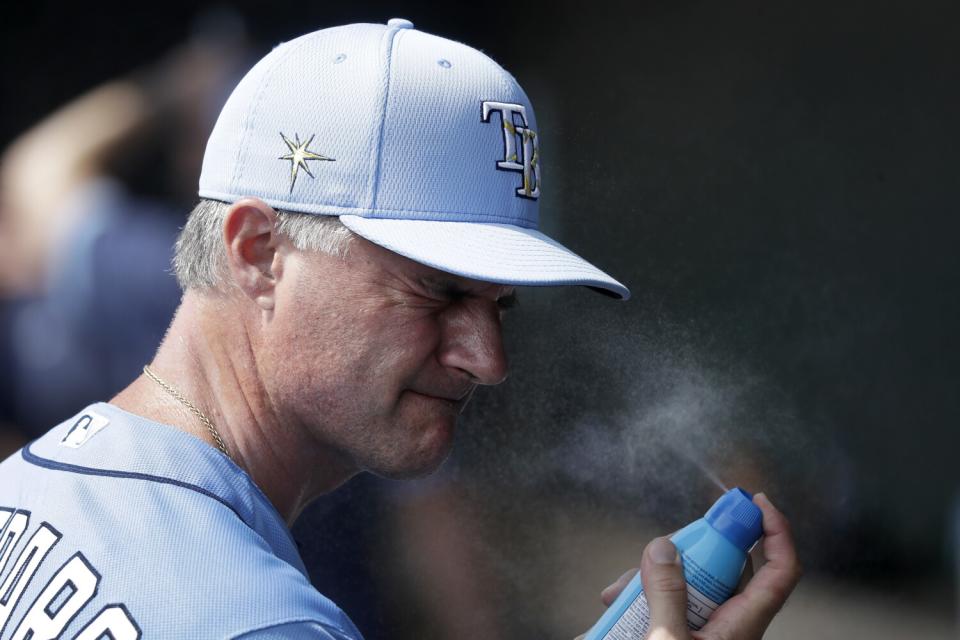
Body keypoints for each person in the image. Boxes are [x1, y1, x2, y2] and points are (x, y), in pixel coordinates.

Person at [0, 18, 800, 640]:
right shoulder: (258, 618)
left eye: (500, 306)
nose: (488, 360)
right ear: (258, 252)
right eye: (437, 292)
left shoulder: (27, 488)